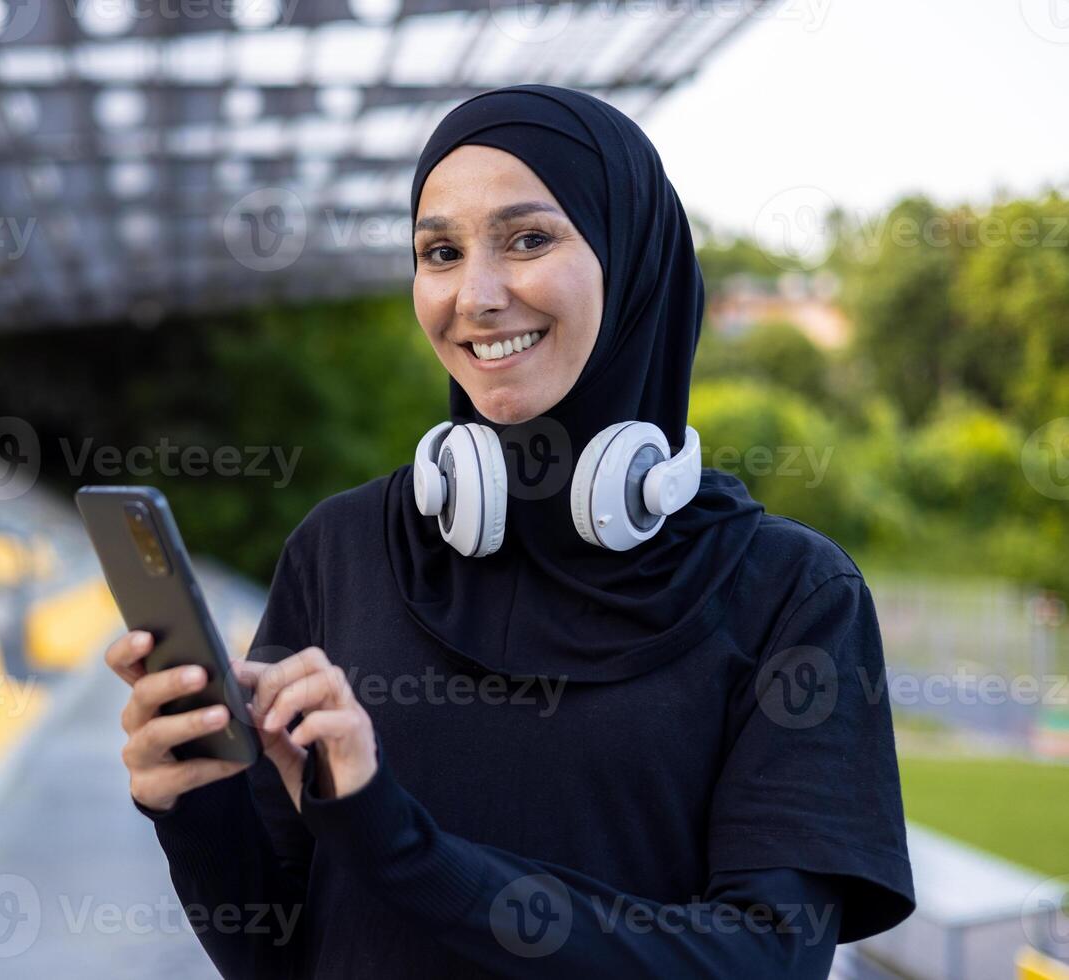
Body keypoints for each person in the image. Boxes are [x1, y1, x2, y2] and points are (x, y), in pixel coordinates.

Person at [106, 84, 914, 978]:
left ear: (630, 257)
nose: (476, 296)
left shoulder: (792, 594)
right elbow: (278, 954)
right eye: (440, 252)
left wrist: (399, 843)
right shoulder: (341, 550)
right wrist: (193, 805)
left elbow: (765, 962)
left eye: (528, 239)